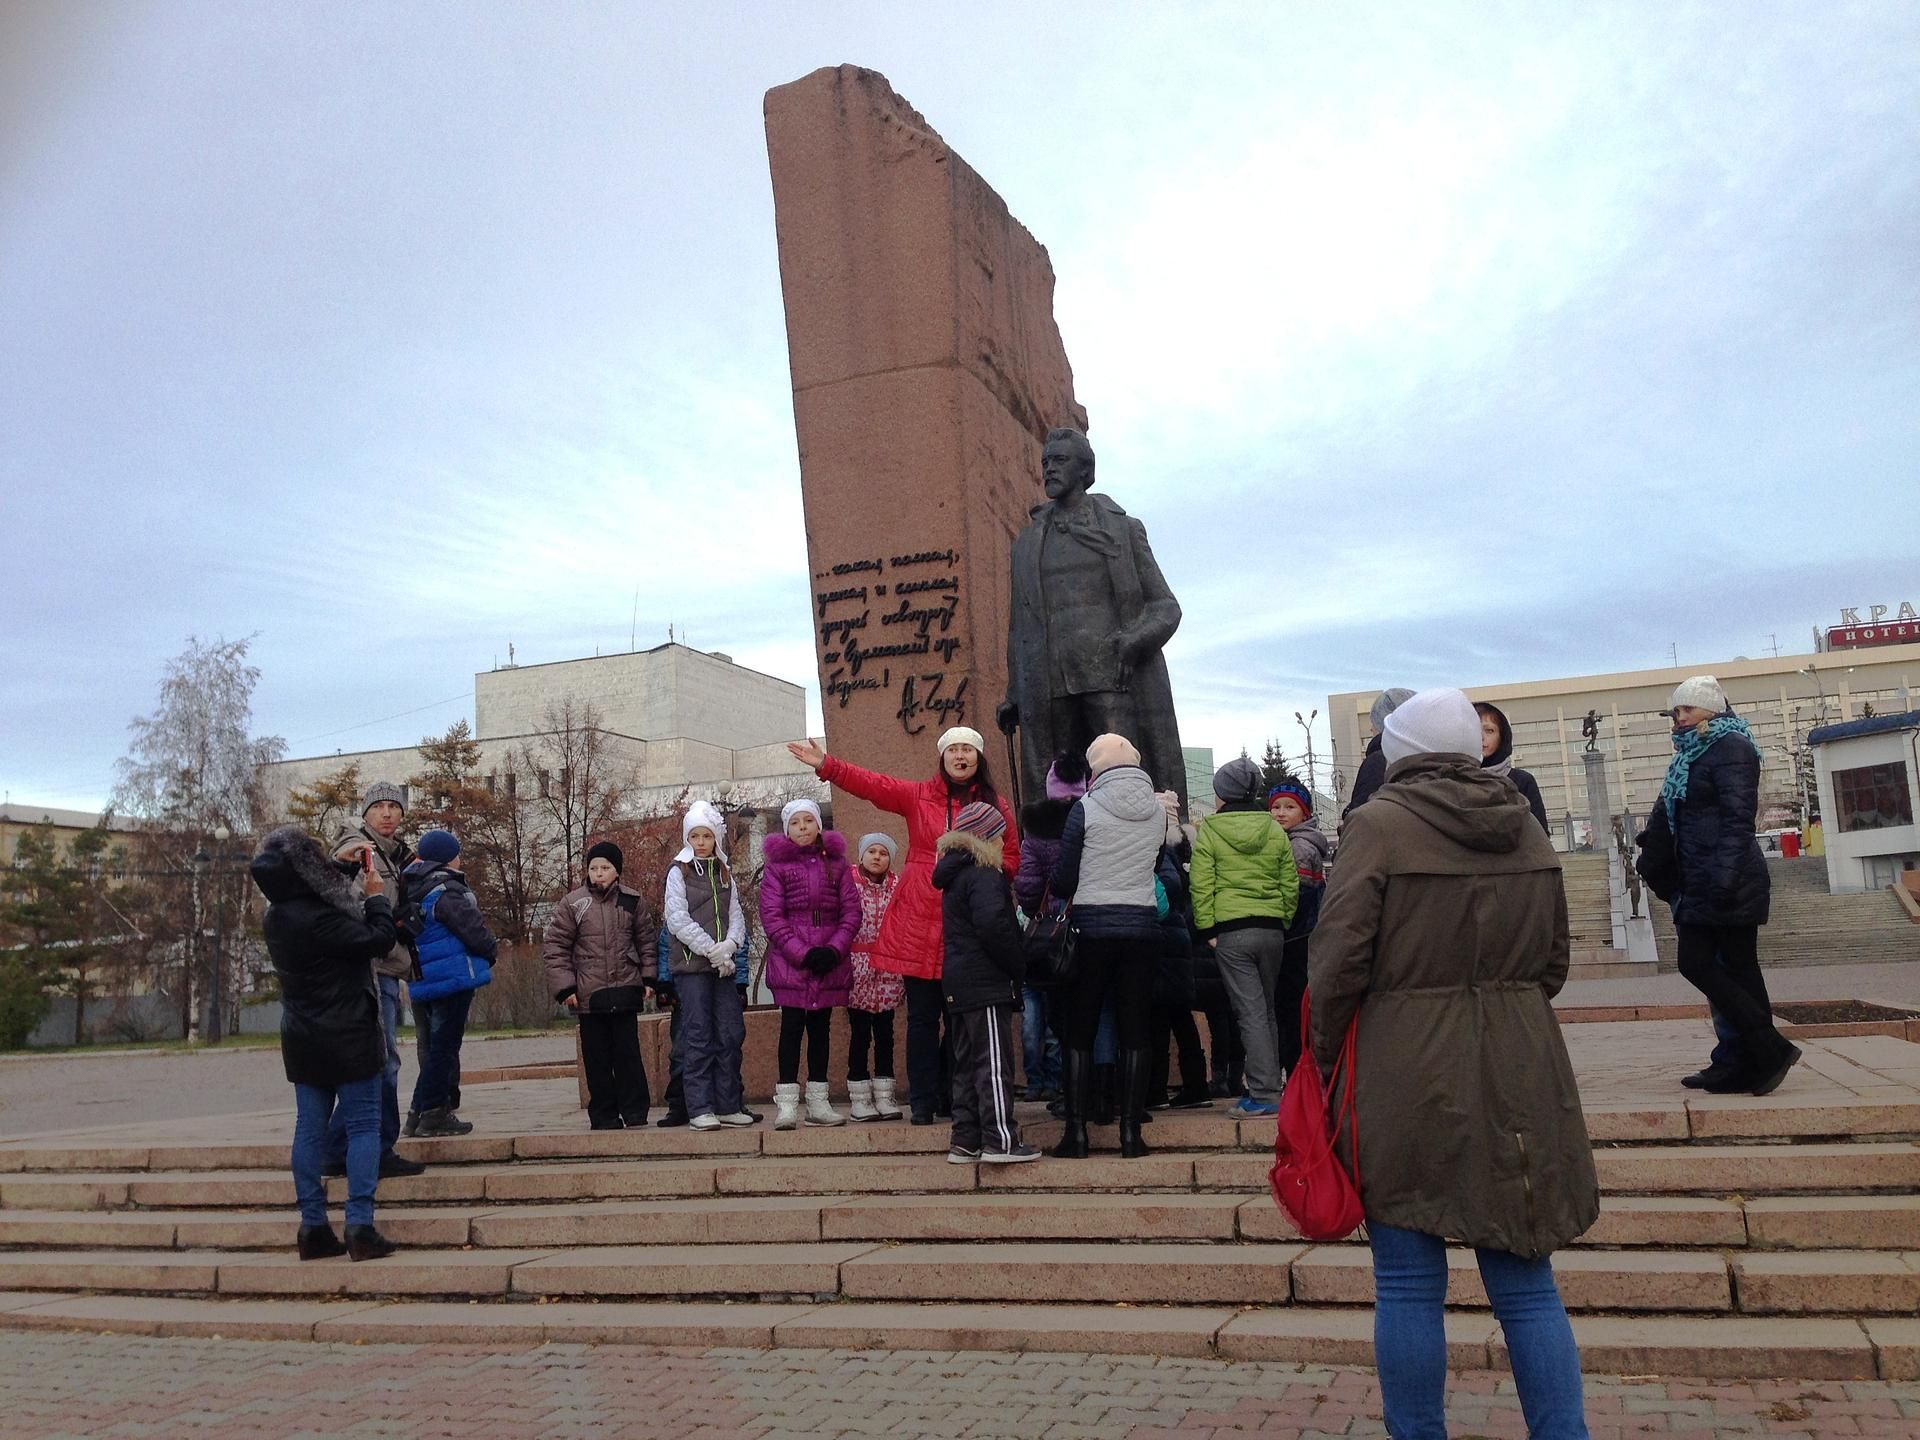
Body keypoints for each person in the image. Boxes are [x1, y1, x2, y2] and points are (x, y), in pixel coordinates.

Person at [1309, 687, 1597, 1439]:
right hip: (1521, 1063)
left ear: (1397, 751)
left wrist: (1325, 1054)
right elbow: (1554, 962)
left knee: (1406, 1284)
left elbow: (1336, 962)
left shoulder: (1376, 827)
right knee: (1528, 1285)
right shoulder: (1526, 827)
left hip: (1404, 1068)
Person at [787, 727, 1019, 1127]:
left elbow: (1012, 856)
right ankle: (924, 1102)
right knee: (922, 1019)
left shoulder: (995, 805)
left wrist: (986, 876)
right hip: (917, 921)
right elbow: (873, 785)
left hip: (966, 925)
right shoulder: (919, 796)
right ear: (942, 756)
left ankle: (957, 1098)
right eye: (953, 750)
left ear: (979, 758)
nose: (960, 756)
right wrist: (827, 765)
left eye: (968, 750)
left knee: (964, 1019)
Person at [999, 426, 1187, 814]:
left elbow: (1166, 607)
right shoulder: (1027, 543)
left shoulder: (1121, 529)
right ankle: (1055, 864)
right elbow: (1019, 625)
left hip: (1110, 678)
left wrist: (1131, 642)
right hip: (1049, 683)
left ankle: (1143, 854)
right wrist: (1015, 692)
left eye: (1060, 461)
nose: (1049, 469)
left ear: (1085, 471)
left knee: (1122, 777)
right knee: (1056, 790)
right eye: (1046, 462)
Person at [250, 825, 404, 1262]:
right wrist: (375, 896)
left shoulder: (276, 915)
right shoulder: (324, 919)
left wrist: (341, 867)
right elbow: (378, 940)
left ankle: (313, 1227)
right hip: (350, 1034)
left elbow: (314, 893)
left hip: (302, 1037)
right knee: (362, 1127)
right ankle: (360, 1226)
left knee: (309, 1130)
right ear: (305, 871)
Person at [1658, 676, 1800, 1095]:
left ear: (1711, 709)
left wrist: (1723, 879)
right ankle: (1747, 1059)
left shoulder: (1732, 748)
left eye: (1685, 709)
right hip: (1702, 877)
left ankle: (1768, 1048)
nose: (1677, 717)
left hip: (1727, 879)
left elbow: (1739, 821)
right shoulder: (1692, 753)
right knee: (1737, 971)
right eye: (1675, 711)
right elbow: (1675, 811)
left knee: (1704, 964)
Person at [1048, 733, 1166, 1159]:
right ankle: (1131, 1136)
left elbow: (1063, 879)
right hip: (1142, 928)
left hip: (1093, 928)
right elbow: (1153, 866)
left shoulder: (1086, 807)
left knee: (1080, 1029)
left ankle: (1076, 1135)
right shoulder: (1158, 810)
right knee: (1135, 1031)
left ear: (1095, 768)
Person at [1190, 757, 1299, 1118]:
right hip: (1271, 930)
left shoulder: (1211, 831)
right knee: (1266, 1010)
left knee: (1249, 1012)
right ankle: (1271, 1085)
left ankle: (1264, 1093)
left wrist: (1208, 930)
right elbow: (1290, 882)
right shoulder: (1273, 829)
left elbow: (1202, 884)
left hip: (1231, 931)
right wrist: (1282, 919)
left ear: (1221, 794)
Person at [326, 782, 425, 1176]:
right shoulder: (357, 851)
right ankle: (376, 1148)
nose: (387, 813)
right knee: (383, 1062)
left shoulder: (397, 855)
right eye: (379, 806)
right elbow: (348, 902)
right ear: (365, 813)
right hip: (371, 966)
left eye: (393, 806)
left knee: (379, 1060)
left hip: (387, 964)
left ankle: (338, 1147)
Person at [934, 800, 1039, 1163]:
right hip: (984, 981)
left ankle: (965, 1139)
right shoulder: (985, 874)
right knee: (992, 1063)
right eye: (1000, 836)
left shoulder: (954, 874)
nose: (1003, 843)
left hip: (958, 982)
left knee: (964, 1064)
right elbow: (994, 926)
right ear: (988, 837)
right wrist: (1017, 965)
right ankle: (1000, 1141)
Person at [543, 840, 657, 1130]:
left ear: (616, 871)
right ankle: (603, 1114)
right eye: (594, 868)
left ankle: (635, 1111)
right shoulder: (574, 903)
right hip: (589, 996)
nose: (599, 873)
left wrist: (649, 978)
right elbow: (556, 946)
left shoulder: (633, 900)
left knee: (628, 1054)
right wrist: (566, 988)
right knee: (597, 1059)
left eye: (605, 867)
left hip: (625, 989)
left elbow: (645, 941)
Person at [761, 798, 860, 1129]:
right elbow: (773, 918)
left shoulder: (838, 865)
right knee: (791, 1029)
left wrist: (833, 950)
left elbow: (851, 912)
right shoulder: (776, 868)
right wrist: (803, 953)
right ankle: (787, 1103)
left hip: (829, 958)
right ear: (786, 830)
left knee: (821, 1031)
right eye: (795, 823)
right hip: (793, 963)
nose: (803, 827)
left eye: (808, 821)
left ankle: (818, 1101)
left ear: (819, 825)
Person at [662, 803, 754, 1131]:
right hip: (693, 968)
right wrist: (712, 951)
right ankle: (700, 1107)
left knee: (729, 1033)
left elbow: (736, 915)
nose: (701, 842)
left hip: (723, 966)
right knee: (698, 1035)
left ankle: (728, 1104)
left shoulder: (724, 870)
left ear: (716, 838)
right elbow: (677, 919)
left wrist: (730, 946)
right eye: (695, 836)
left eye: (707, 836)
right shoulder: (679, 871)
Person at [401, 831, 495, 1138]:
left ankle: (417, 1114)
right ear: (448, 856)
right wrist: (490, 951)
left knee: (434, 1048)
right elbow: (473, 929)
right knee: (444, 1048)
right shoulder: (446, 891)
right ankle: (433, 1113)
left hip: (423, 977)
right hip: (452, 977)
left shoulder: (412, 886)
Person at [1014, 753, 1089, 1103]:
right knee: (1069, 1013)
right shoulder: (1092, 821)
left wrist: (1034, 913)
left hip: (1044, 934)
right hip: (1083, 930)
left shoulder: (1036, 831)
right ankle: (1064, 1080)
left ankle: (1036, 1080)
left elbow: (1028, 885)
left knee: (1034, 1017)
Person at [1146, 791, 1211, 1111]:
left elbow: (1168, 891)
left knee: (1161, 1017)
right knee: (1178, 1016)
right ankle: (1195, 1085)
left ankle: (1160, 1088)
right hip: (1178, 942)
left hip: (1165, 944)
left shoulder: (1164, 853)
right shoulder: (1181, 849)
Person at [1268, 777, 1332, 1079]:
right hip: (1302, 936)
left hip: (1297, 937)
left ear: (1303, 814)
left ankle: (1296, 1073)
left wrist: (1282, 922)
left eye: (1289, 807)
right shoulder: (1290, 842)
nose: (1280, 813)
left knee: (1291, 1008)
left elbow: (1299, 894)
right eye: (1276, 807)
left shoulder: (1299, 846)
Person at [847, 832, 905, 1122]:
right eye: (872, 851)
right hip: (858, 965)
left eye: (883, 852)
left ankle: (885, 1093)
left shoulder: (898, 886)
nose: (877, 857)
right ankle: (859, 1095)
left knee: (885, 1033)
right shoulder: (849, 883)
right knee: (859, 1033)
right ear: (861, 856)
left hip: (888, 968)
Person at [1475, 701, 1550, 832]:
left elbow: (1540, 833)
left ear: (1502, 737)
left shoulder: (1523, 781)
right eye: (1474, 730)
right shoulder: (1453, 778)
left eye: (1489, 730)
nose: (1481, 737)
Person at [1343, 687, 1415, 819]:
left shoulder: (1378, 761)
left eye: (1373, 723)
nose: (1371, 728)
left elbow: (1361, 816)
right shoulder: (1425, 757)